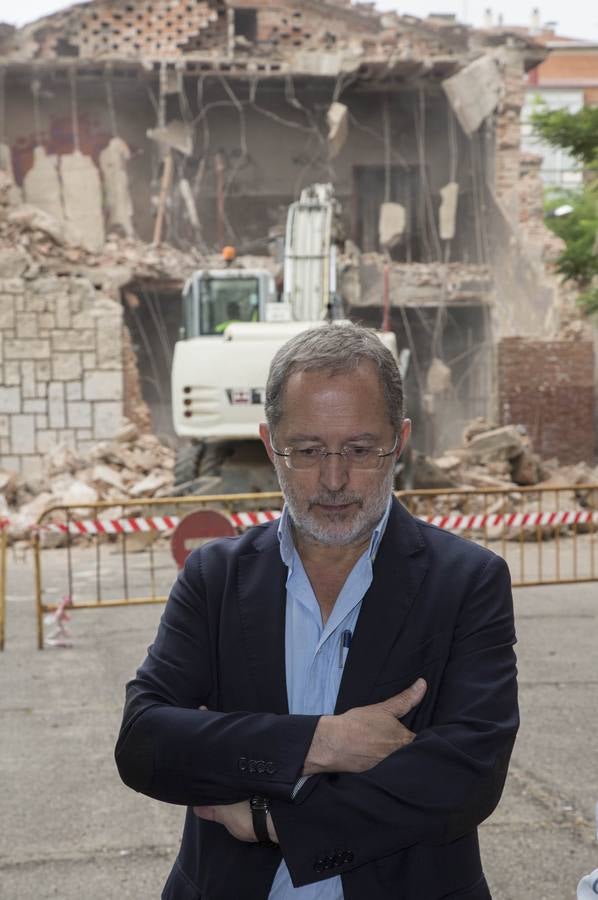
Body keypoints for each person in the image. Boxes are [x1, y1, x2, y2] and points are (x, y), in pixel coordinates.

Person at [115, 323, 519, 900]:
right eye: (306, 451)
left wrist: (267, 819)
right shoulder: (214, 577)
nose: (334, 480)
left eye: (359, 450)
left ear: (399, 441)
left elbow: (467, 774)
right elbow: (145, 741)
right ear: (268, 443)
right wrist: (321, 742)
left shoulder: (467, 581)